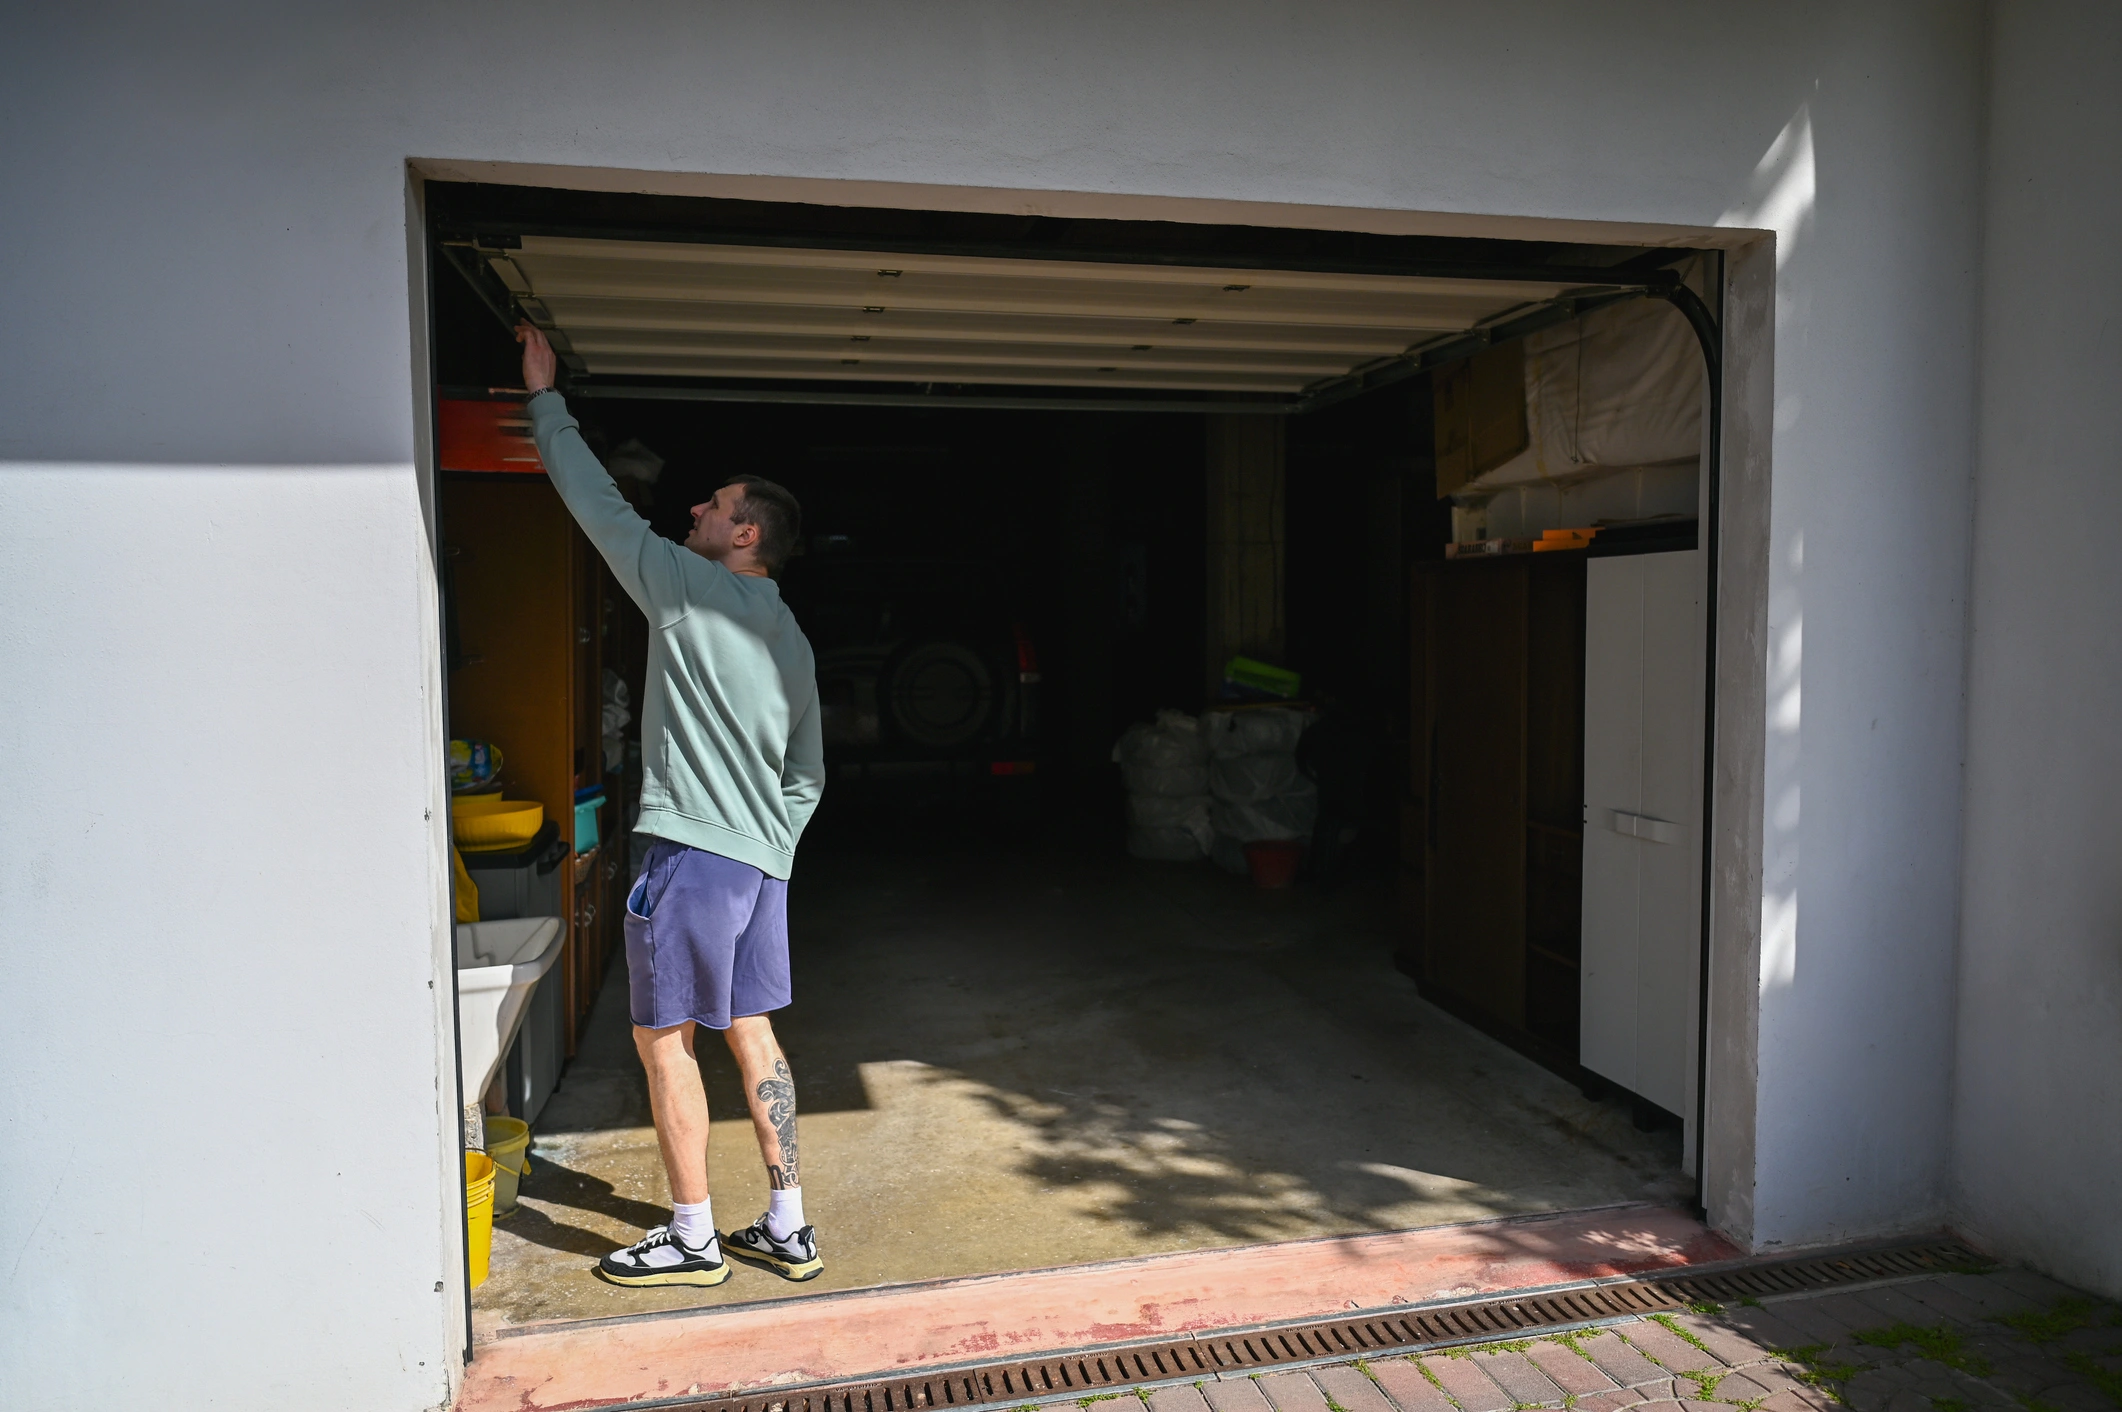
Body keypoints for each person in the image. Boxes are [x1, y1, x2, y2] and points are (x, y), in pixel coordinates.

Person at [515, 324, 827, 1287]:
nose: (694, 507)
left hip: (689, 860)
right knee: (755, 1035)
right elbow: (807, 775)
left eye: (715, 503)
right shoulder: (793, 637)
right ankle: (787, 1225)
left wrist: (543, 397)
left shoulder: (691, 590)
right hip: (756, 868)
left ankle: (693, 1237)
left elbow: (598, 507)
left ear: (745, 534)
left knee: (664, 1046)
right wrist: (770, 849)